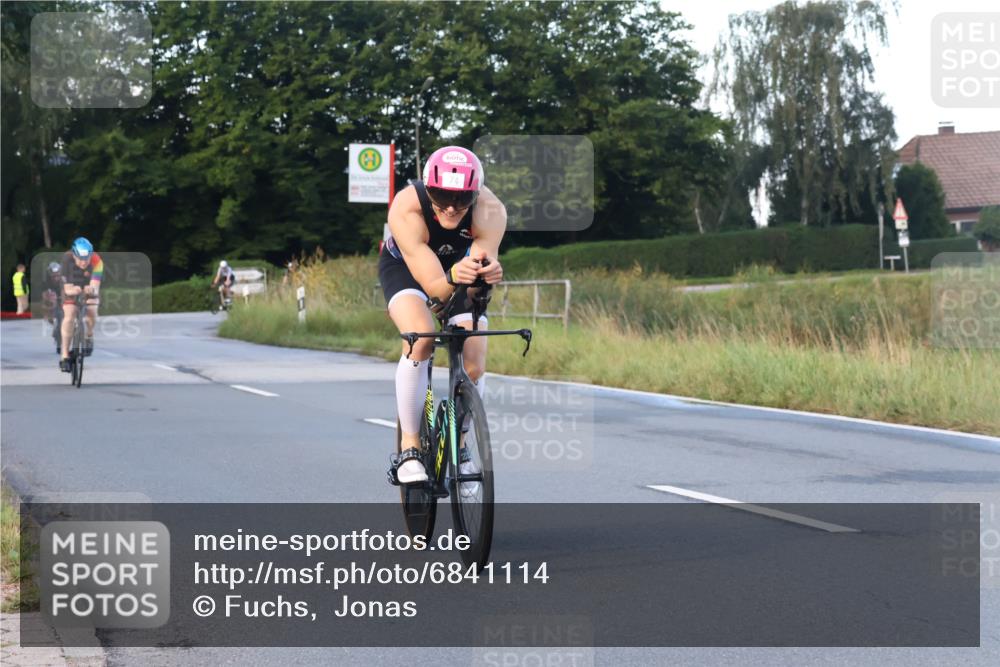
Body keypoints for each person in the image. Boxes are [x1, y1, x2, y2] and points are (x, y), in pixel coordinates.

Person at [379, 146, 506, 484]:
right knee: (420, 337)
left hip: (458, 269)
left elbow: (474, 292)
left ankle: (460, 447)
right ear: (427, 188)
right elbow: (435, 288)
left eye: (461, 199)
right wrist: (451, 279)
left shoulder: (491, 210)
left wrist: (487, 278)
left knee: (474, 361)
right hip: (406, 269)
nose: (450, 207)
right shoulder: (406, 206)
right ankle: (409, 448)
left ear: (475, 194)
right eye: (441, 196)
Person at [59, 237, 103, 372]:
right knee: (69, 315)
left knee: (92, 309)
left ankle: (89, 335)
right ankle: (64, 355)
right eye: (80, 259)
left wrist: (91, 290)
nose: (84, 262)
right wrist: (72, 290)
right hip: (71, 285)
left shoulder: (97, 261)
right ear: (74, 255)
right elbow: (67, 288)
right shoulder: (66, 259)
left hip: (88, 284)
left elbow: (95, 286)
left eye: (86, 259)